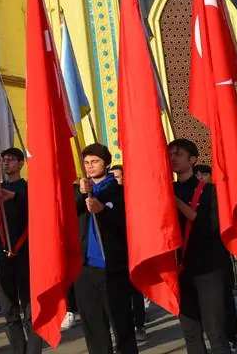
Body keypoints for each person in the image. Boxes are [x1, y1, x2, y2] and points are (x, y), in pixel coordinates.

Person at [74, 143, 138, 354]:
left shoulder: (119, 191)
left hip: (112, 267)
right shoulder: (80, 192)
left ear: (107, 163)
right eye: (86, 162)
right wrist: (81, 194)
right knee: (93, 326)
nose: (90, 166)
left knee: (121, 323)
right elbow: (67, 213)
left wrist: (103, 211)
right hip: (85, 269)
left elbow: (126, 224)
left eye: (95, 162)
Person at [169, 138, 232, 354]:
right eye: (170, 154)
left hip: (209, 269)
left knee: (216, 332)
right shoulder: (167, 189)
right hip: (180, 269)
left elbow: (208, 226)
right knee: (190, 332)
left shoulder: (209, 191)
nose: (173, 158)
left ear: (193, 159)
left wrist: (175, 201)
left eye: (178, 154)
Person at [0, 147, 41, 354]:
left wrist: (14, 196)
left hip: (26, 256)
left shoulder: (27, 189)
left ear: (21, 164)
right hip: (1, 257)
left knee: (30, 311)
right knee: (9, 312)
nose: (6, 163)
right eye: (4, 159)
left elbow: (38, 209)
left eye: (11, 160)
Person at [108, 163, 147, 341]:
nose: (114, 179)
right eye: (111, 176)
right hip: (113, 251)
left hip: (132, 248)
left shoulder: (132, 195)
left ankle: (139, 324)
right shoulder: (104, 195)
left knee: (134, 290)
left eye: (116, 176)